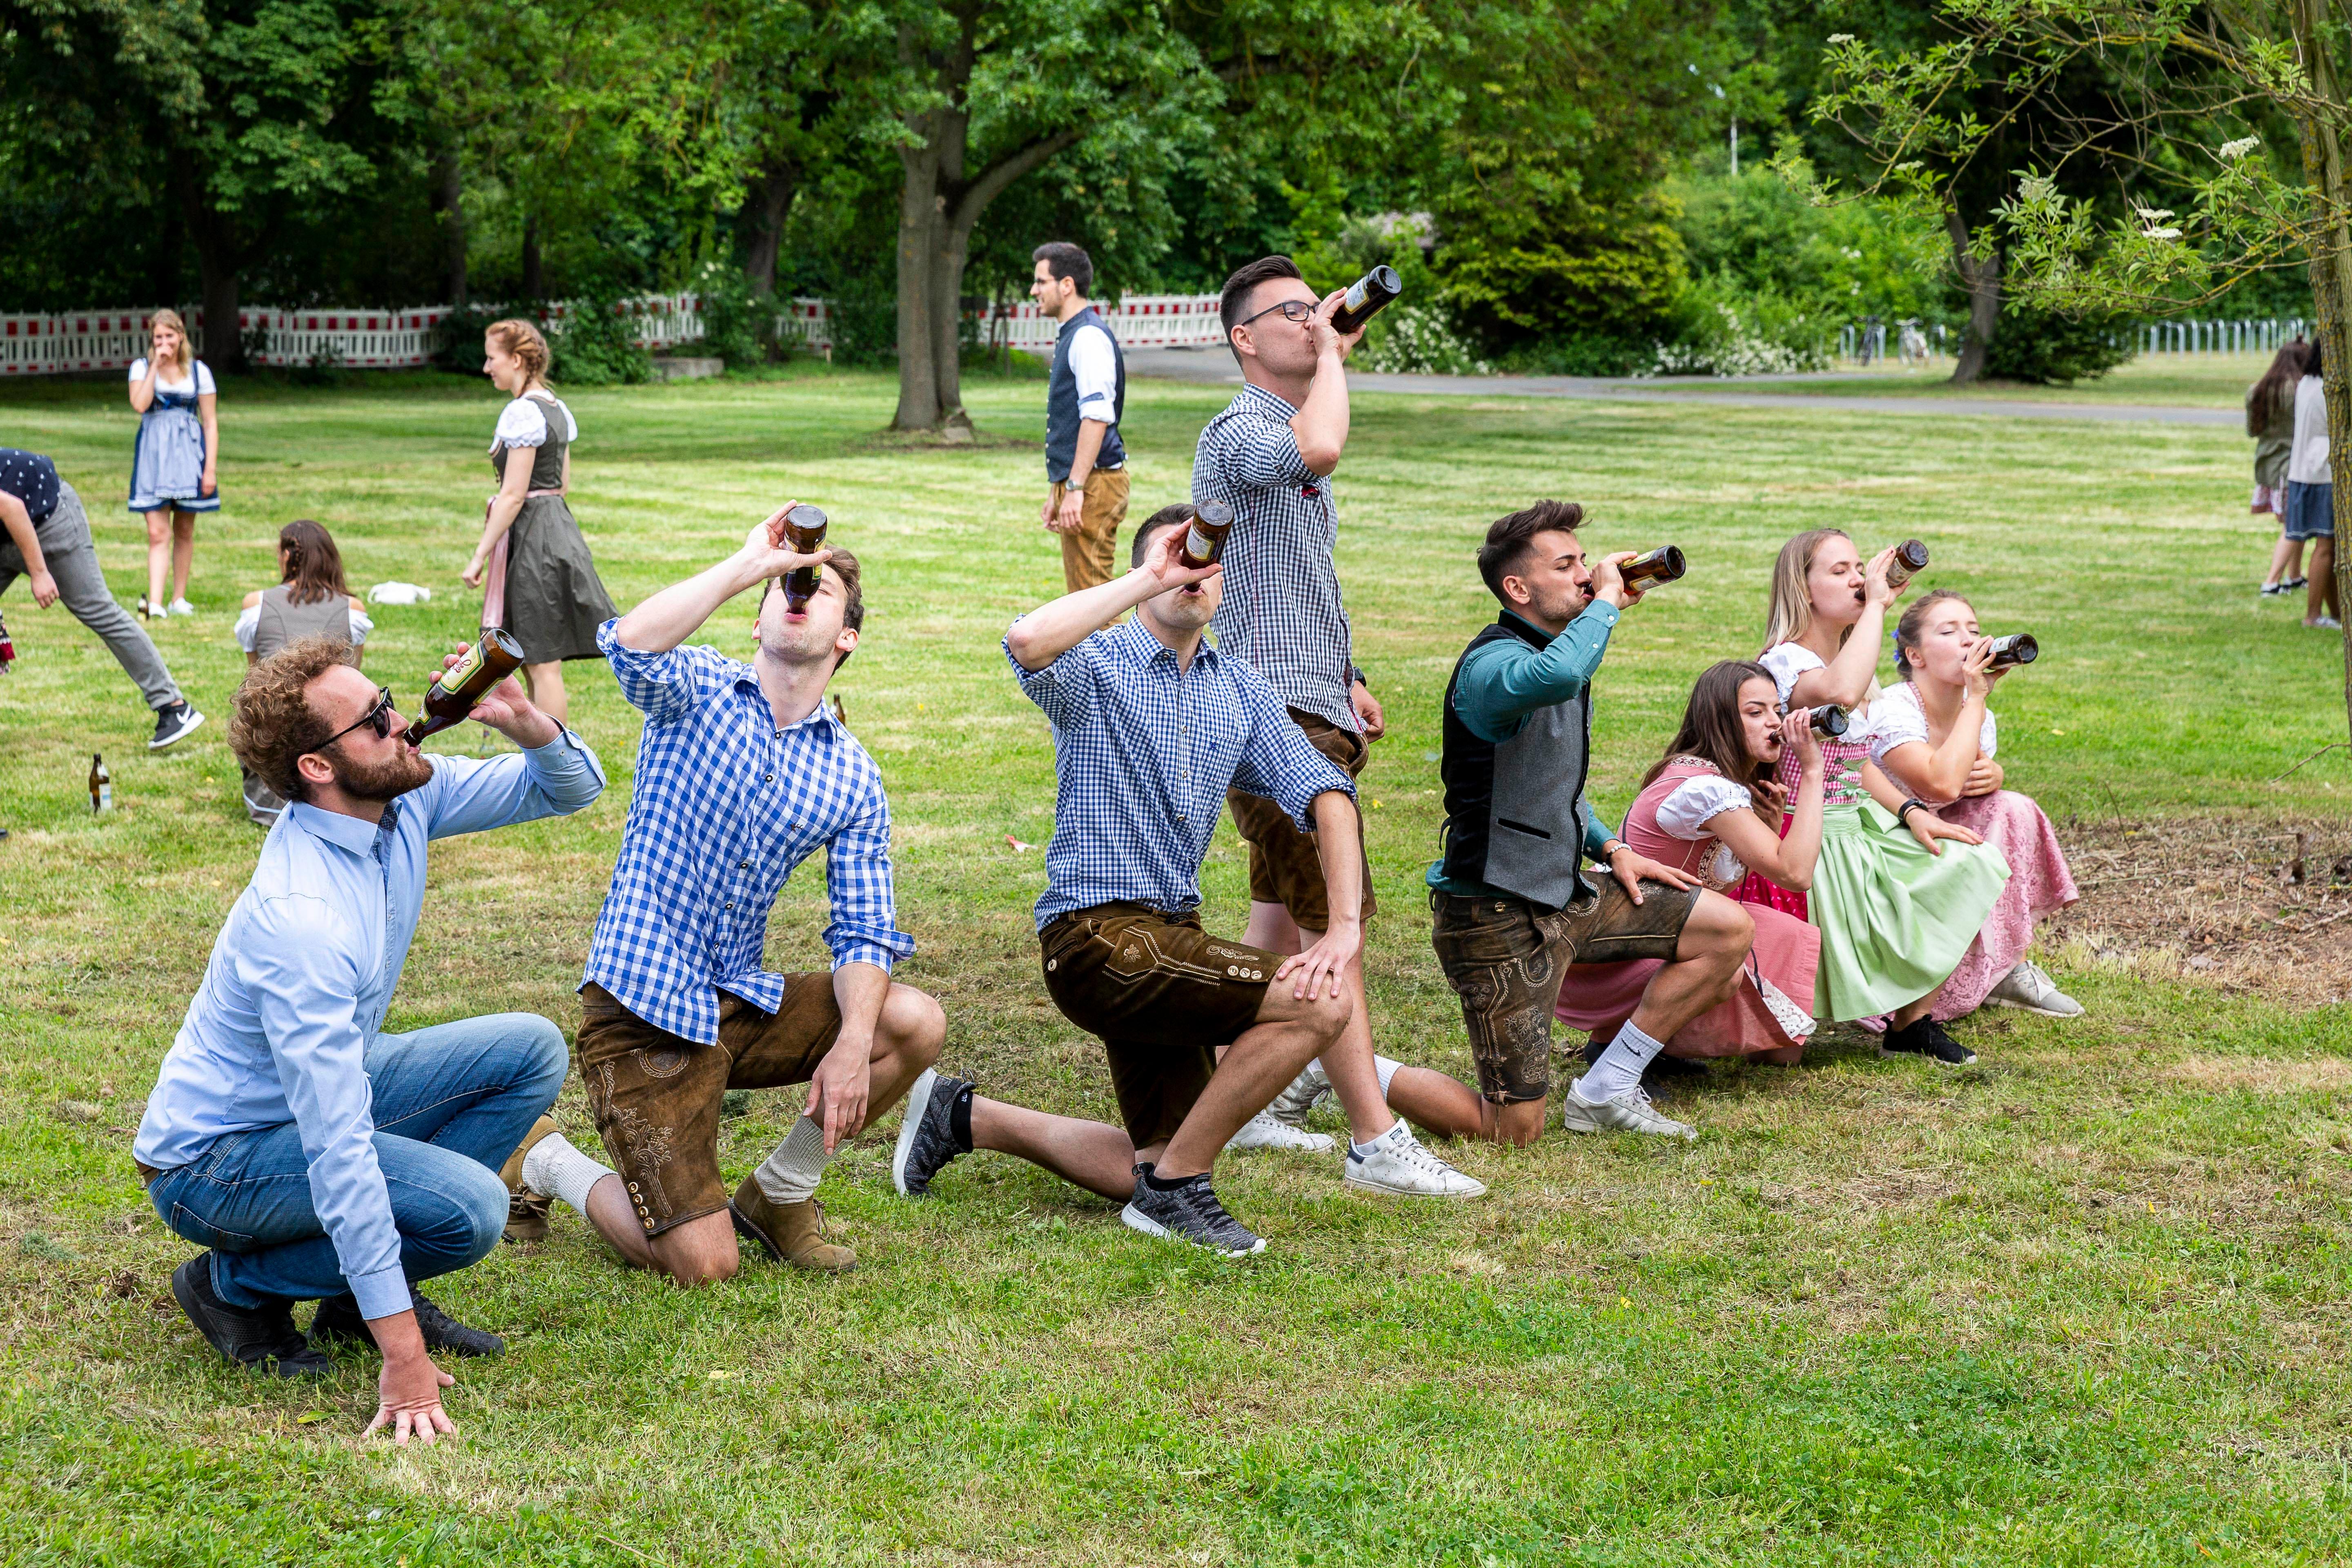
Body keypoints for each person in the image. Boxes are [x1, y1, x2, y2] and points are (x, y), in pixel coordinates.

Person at [133, 634, 604, 1443]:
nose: (402, 723)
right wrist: (404, 1354)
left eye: (387, 700)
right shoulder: (301, 920)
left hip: (312, 1096)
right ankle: (233, 1285)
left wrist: (527, 722)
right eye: (375, 720)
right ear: (318, 767)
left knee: (530, 1049)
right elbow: (338, 1150)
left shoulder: (402, 795)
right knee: (470, 1212)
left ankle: (352, 1301)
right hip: (215, 1163)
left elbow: (568, 789)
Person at [886, 506, 1392, 1256]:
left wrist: (1344, 928)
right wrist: (1151, 576)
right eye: (1173, 557)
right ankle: (1180, 1193)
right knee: (1320, 1005)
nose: (1192, 571)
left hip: (1170, 939)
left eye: (1207, 565)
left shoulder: (1240, 689)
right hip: (1094, 938)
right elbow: (1026, 641)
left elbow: (1329, 794)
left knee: (1147, 1164)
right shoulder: (1097, 664)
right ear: (1144, 572)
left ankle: (964, 1117)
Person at [500, 506, 945, 1284]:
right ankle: (543, 1156)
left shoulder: (851, 774)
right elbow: (626, 644)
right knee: (704, 1266)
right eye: (783, 585)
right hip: (638, 1015)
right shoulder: (698, 685)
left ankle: (781, 1194)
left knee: (911, 1022)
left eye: (820, 588)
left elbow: (865, 930)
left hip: (731, 1007)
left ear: (847, 637)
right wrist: (750, 564)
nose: (798, 591)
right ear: (757, 617)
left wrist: (850, 1043)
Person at [1188, 256, 1480, 1193]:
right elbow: (1321, 450)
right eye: (1289, 311)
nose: (1311, 318)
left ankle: (1243, 1100)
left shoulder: (1284, 422)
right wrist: (1333, 356)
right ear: (1244, 339)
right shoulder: (1241, 429)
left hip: (1305, 699)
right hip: (1274, 717)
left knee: (1277, 922)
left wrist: (1345, 673)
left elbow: (1294, 570)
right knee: (1330, 931)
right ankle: (1373, 1140)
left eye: (1315, 307)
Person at [1417, 503, 1755, 1144]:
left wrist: (1612, 847)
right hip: (1493, 915)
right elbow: (1562, 673)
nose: (1585, 574)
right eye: (1566, 565)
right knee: (1512, 1130)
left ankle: (1607, 1088)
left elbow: (1552, 786)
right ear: (1518, 589)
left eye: (1584, 562)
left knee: (1726, 932)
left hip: (1565, 896)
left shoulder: (1554, 655)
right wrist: (1604, 602)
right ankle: (1333, 1067)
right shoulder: (1493, 668)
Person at [1751, 528, 2010, 1064]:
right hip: (1801, 832)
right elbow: (1838, 694)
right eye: (1840, 570)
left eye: (1859, 567)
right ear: (1803, 588)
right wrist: (1876, 605)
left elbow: (1856, 759)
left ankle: (1911, 1025)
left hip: (1855, 823)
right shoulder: (1784, 662)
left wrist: (1912, 812)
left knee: (1967, 863)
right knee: (1778, 1052)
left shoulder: (1853, 660)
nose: (1858, 578)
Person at [1555, 661, 1826, 1069]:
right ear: (1720, 722)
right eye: (1755, 712)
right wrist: (1813, 772)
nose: (1774, 722)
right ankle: (1617, 1048)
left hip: (1659, 932)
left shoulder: (1722, 784)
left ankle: (1660, 1043)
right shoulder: (1705, 790)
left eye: (1777, 710)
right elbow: (1796, 874)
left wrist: (1769, 829)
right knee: (1739, 949)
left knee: (1784, 943)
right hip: (1614, 951)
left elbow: (1719, 885)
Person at [1870, 590, 2083, 1018]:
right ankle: (1936, 989)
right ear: (1915, 655)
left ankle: (2009, 967)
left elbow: (1966, 785)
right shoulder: (1892, 709)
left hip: (1945, 824)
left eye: (1973, 629)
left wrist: (1993, 776)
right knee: (1983, 828)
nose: (1969, 640)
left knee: (2014, 807)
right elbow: (1940, 785)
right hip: (1892, 832)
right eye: (1949, 632)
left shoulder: (1978, 715)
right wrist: (1978, 698)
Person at [460, 319, 616, 722]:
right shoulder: (555, 407)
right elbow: (561, 484)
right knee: (534, 660)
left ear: (516, 360)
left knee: (543, 663)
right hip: (557, 530)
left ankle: (555, 755)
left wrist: (479, 556)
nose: (486, 368)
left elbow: (514, 494)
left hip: (535, 541)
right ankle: (543, 753)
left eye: (492, 358)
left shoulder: (522, 412)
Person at [0, 447, 204, 749]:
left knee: (98, 609)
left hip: (49, 519)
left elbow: (11, 508)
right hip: (6, 530)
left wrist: (40, 572)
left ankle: (174, 706)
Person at [235, 519, 373, 826]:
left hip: (276, 735)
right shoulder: (353, 609)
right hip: (332, 734)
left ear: (287, 555)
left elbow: (257, 678)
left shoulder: (256, 604)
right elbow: (354, 681)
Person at [1031, 242, 1129, 593]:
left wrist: (1074, 488)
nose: (1034, 291)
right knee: (1085, 599)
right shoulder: (1076, 333)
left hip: (1094, 483)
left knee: (1094, 603)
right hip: (1085, 481)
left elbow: (1096, 418)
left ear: (1067, 285)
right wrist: (1059, 489)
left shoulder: (1087, 337)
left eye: (1041, 282)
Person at [127, 307, 220, 620]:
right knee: (157, 532)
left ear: (181, 337)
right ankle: (154, 602)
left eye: (169, 336)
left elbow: (210, 423)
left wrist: (210, 469)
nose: (164, 343)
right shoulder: (141, 368)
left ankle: (178, 598)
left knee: (184, 529)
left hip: (188, 457)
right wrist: (156, 365)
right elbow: (140, 404)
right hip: (154, 458)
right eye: (158, 338)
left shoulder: (199, 372)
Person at [2287, 337, 2343, 630]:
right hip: (2323, 473)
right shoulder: (2329, 390)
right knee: (2326, 547)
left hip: (2303, 470)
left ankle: (2336, 614)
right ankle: (2312, 616)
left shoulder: (2306, 384)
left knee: (2329, 548)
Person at [2251, 339, 2310, 597]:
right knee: (2294, 524)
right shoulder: (2301, 390)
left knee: (2294, 521)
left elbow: (2252, 430)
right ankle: (2272, 583)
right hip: (2293, 466)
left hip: (2267, 466)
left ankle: (2294, 576)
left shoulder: (2257, 389)